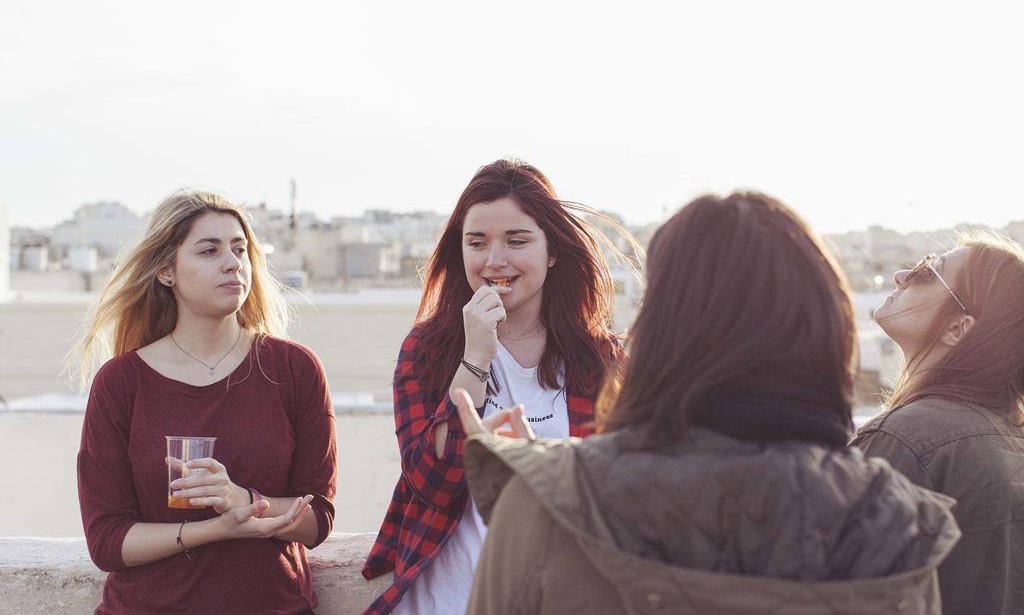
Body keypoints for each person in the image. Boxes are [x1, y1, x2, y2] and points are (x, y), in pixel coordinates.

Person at [458, 192, 961, 615]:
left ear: (660, 329)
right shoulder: (895, 522)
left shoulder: (549, 501)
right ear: (827, 330)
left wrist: (549, 480)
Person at [361, 159, 630, 614]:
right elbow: (430, 482)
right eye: (477, 243)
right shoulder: (426, 350)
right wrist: (475, 359)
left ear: (552, 251)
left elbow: (618, 501)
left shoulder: (600, 360)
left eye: (517, 241)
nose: (494, 261)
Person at [74, 190, 337, 614]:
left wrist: (245, 500)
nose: (232, 263)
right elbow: (107, 541)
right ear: (166, 271)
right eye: (209, 251)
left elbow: (317, 520)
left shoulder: (293, 369)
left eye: (239, 249)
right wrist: (216, 528)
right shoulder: (121, 383)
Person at [852, 233, 1024, 614]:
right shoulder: (1008, 438)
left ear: (959, 328)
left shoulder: (907, 440)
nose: (900, 276)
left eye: (927, 271)